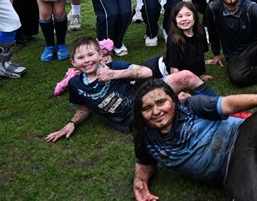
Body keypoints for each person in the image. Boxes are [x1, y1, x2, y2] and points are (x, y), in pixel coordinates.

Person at [45, 37, 205, 140]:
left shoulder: (114, 66)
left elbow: (146, 71)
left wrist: (113, 74)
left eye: (90, 55)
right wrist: (72, 123)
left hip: (147, 95)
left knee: (185, 76)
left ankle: (219, 105)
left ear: (100, 55)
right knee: (182, 117)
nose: (86, 61)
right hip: (135, 118)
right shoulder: (75, 84)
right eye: (80, 58)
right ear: (73, 63)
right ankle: (181, 102)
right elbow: (85, 107)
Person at [143, 1, 211, 80]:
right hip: (157, 69)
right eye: (180, 16)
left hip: (181, 68)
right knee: (135, 77)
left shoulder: (201, 31)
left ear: (195, 17)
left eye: (188, 15)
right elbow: (174, 69)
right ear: (175, 20)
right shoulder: (174, 39)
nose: (184, 19)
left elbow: (200, 54)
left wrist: (200, 75)